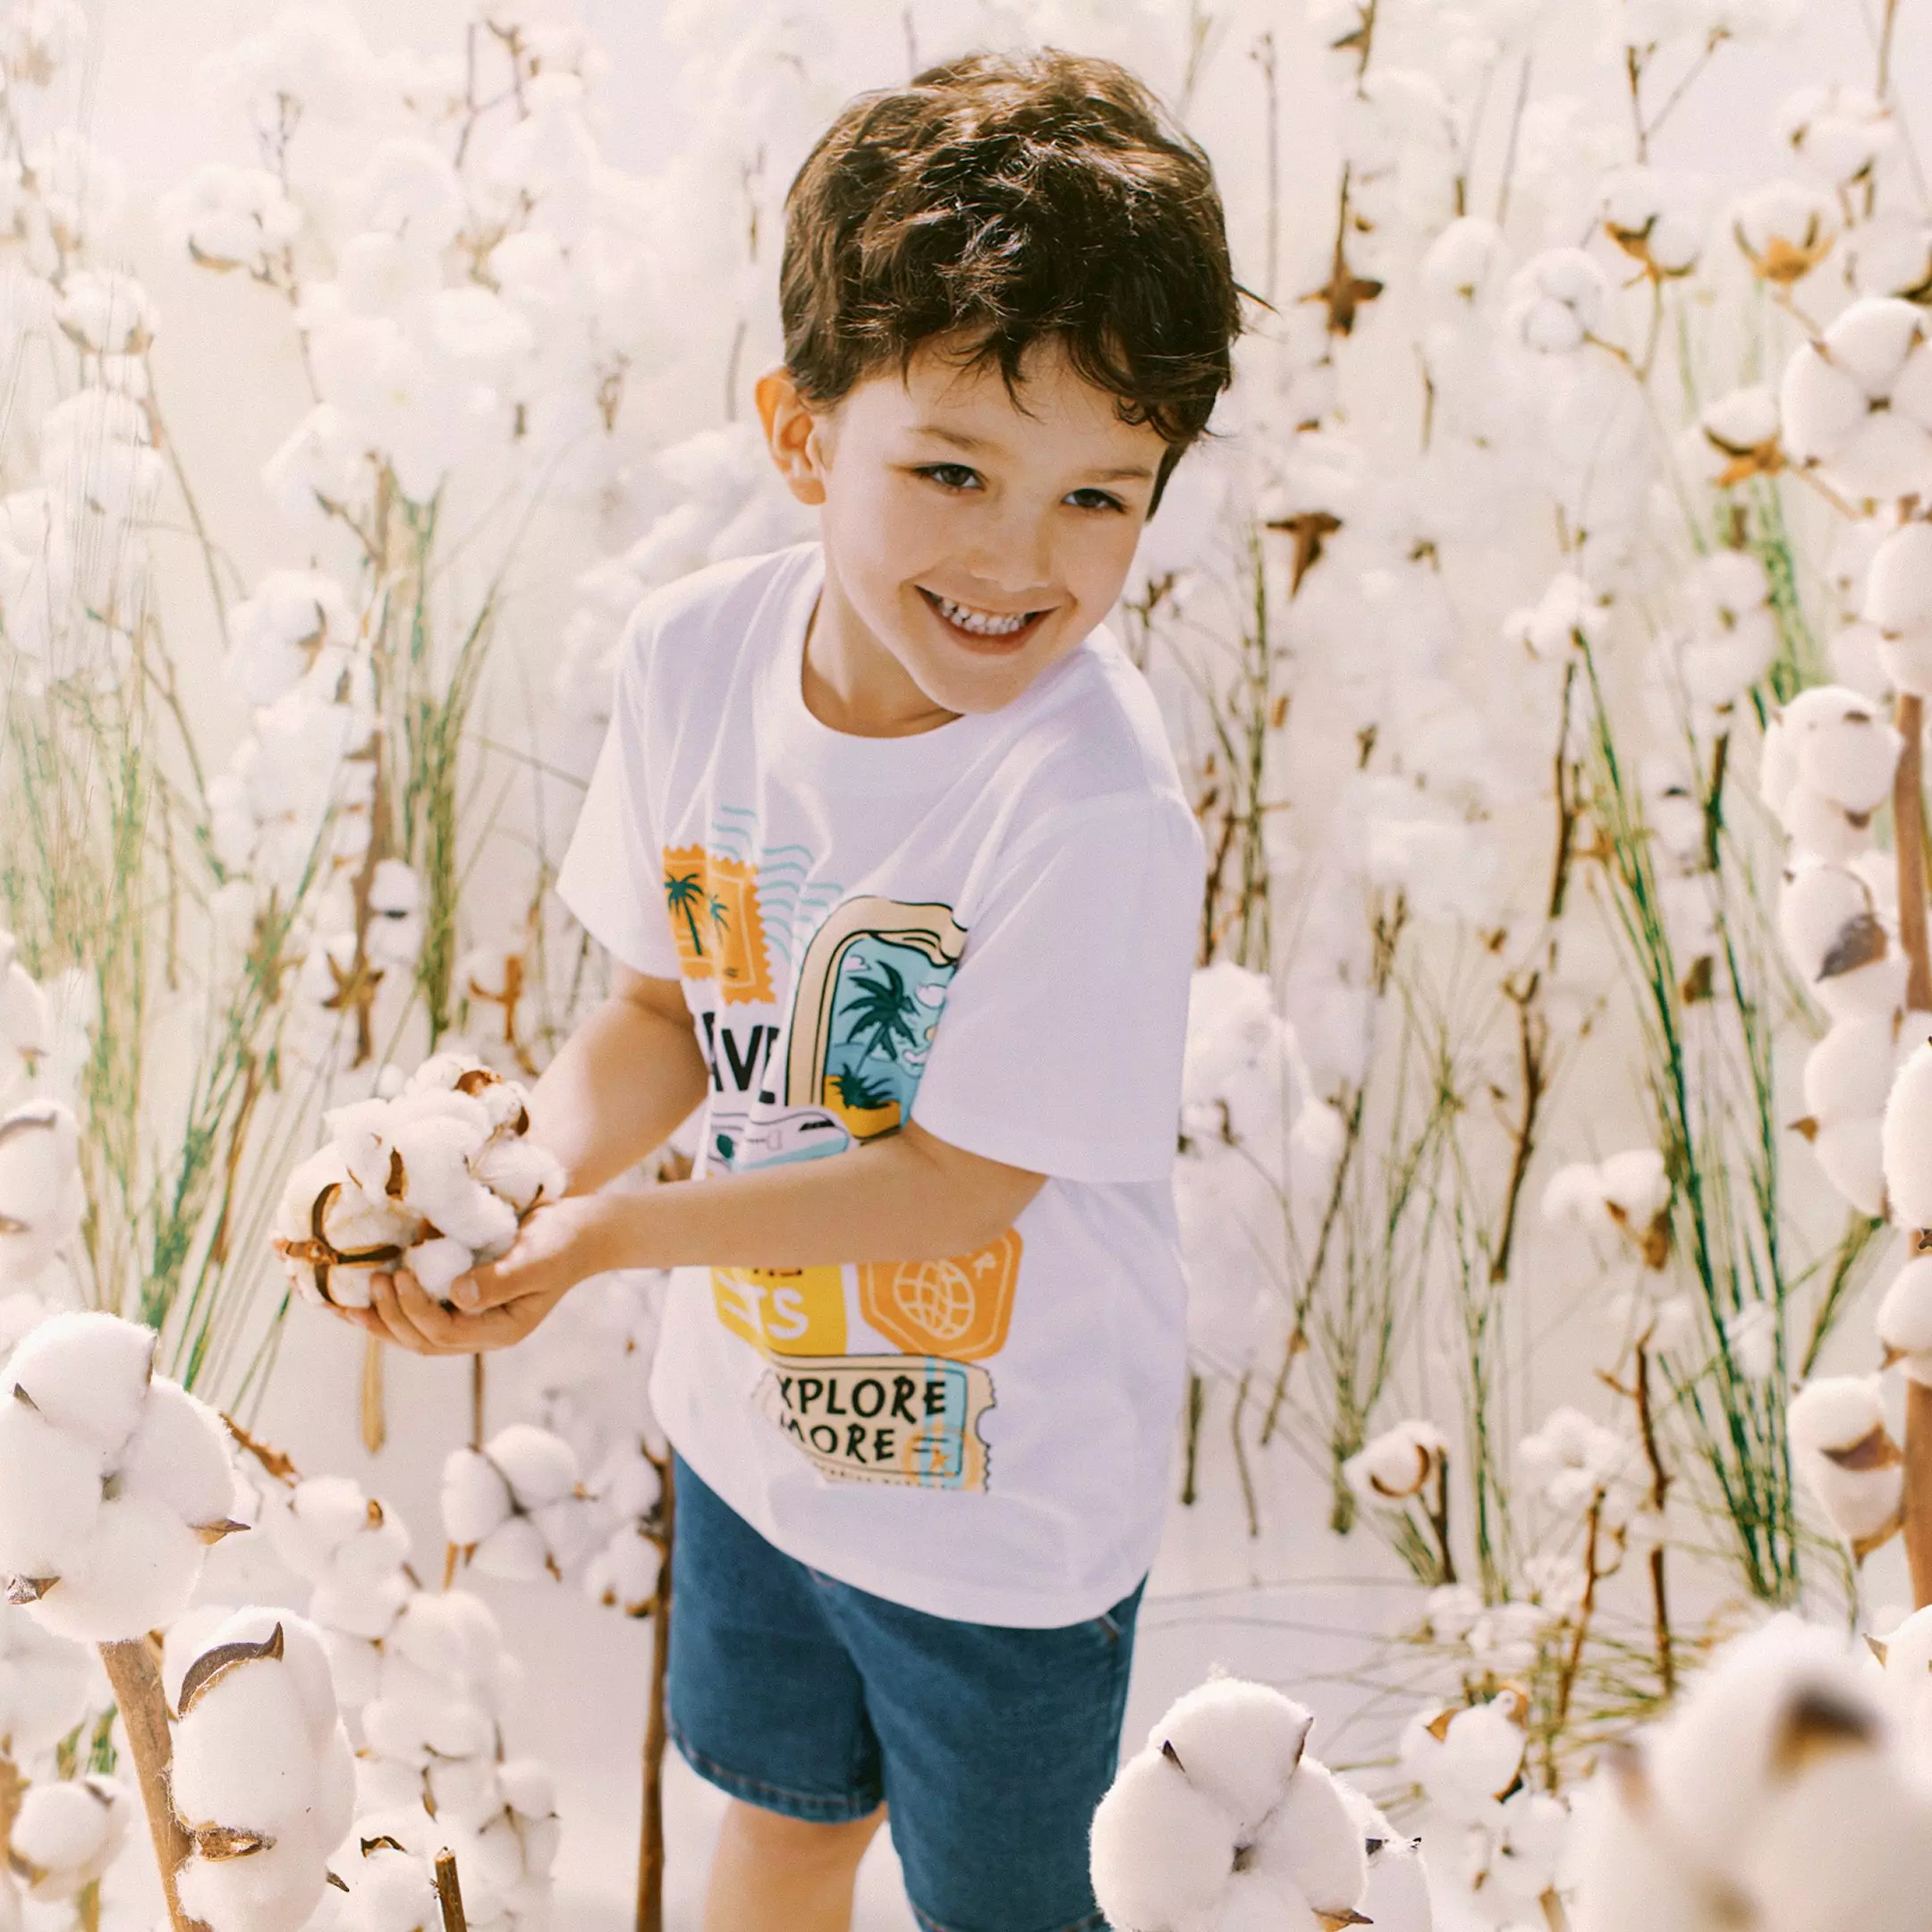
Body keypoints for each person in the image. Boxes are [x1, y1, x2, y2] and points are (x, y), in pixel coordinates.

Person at [343, 45, 1242, 1932]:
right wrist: (514, 1183)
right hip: (754, 1441)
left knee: (1009, 1902)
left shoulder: (1093, 805)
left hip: (1002, 1507)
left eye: (1101, 496)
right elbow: (665, 1017)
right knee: (779, 1821)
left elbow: (956, 1183)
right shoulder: (692, 664)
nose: (1022, 561)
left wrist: (599, 1241)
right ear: (800, 431)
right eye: (951, 470)